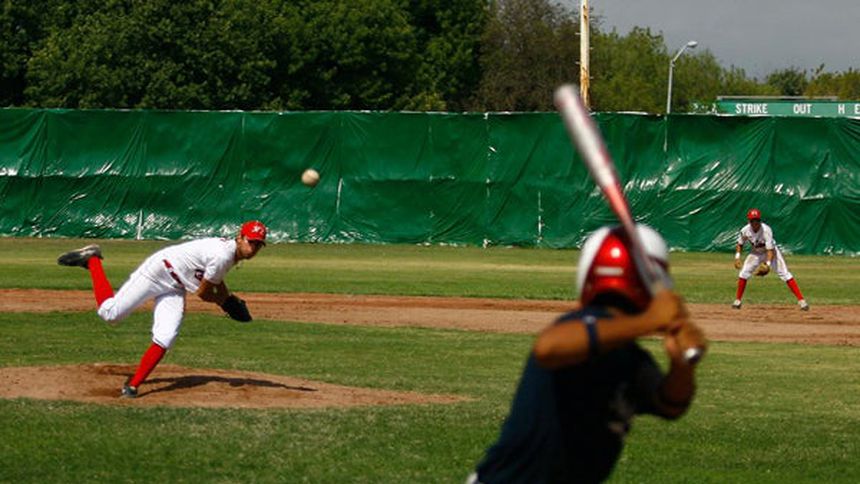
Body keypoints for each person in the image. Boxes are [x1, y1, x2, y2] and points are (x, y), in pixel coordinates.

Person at [469, 225, 704, 484]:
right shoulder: (580, 324)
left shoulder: (629, 355)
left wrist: (682, 366)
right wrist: (649, 320)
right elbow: (548, 347)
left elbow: (670, 405)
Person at [57, 220, 267, 398]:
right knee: (110, 314)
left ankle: (132, 386)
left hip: (176, 285)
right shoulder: (223, 255)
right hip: (158, 271)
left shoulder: (230, 254)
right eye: (251, 241)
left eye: (258, 244)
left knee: (166, 336)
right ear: (240, 237)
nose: (254, 248)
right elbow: (203, 293)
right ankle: (92, 259)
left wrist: (228, 299)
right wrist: (225, 303)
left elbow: (216, 281)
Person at [732, 208, 808, 311]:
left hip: (771, 252)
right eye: (752, 220)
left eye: (757, 220)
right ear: (749, 221)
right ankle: (737, 301)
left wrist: (767, 264)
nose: (755, 222)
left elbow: (770, 250)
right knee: (743, 273)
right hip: (756, 252)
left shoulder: (766, 230)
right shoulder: (745, 230)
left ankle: (802, 301)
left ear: (760, 220)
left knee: (785, 274)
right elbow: (740, 243)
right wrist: (737, 257)